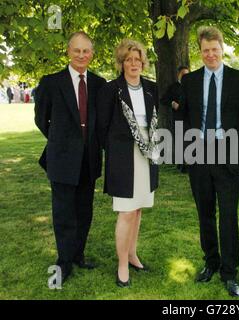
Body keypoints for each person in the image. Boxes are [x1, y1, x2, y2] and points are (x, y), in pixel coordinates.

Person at [180, 26, 239, 297]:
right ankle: (210, 262)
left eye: (215, 49)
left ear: (222, 49)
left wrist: (238, 145)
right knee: (205, 213)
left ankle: (230, 272)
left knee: (229, 214)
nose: (210, 54)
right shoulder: (190, 81)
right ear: (200, 52)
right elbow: (183, 115)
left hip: (226, 153)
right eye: (205, 50)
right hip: (198, 153)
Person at [34, 31, 106, 284]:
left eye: (86, 51)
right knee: (64, 213)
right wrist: (63, 141)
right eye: (77, 50)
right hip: (62, 159)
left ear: (92, 53)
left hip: (89, 160)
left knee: (84, 211)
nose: (81, 55)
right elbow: (42, 119)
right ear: (68, 51)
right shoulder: (51, 82)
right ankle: (64, 262)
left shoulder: (99, 84)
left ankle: (78, 255)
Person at [97, 39, 159, 288]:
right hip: (123, 158)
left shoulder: (151, 88)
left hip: (147, 155)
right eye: (128, 59)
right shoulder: (111, 89)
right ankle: (122, 263)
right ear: (121, 63)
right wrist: (115, 150)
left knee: (138, 209)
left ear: (143, 62)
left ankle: (132, 254)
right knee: (126, 211)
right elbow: (102, 127)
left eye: (137, 59)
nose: (133, 63)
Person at [160, 65, 190, 172]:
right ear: (179, 75)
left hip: (189, 118)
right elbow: (163, 99)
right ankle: (181, 165)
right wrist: (173, 103)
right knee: (179, 141)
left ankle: (188, 164)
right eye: (183, 74)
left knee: (189, 141)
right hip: (177, 118)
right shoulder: (173, 87)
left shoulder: (192, 86)